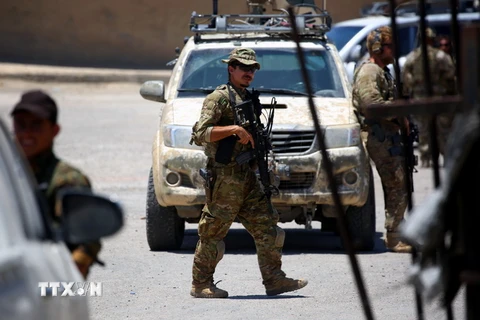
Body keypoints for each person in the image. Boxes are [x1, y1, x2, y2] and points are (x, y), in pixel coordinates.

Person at [189, 48, 308, 298]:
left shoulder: (247, 97)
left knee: (267, 225)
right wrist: (233, 129)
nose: (249, 73)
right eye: (244, 68)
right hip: (224, 178)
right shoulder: (218, 98)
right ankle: (201, 284)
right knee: (213, 231)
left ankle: (274, 279)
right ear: (230, 68)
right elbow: (201, 133)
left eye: (252, 69)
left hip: (246, 175)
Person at [10, 90, 102, 278]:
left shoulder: (67, 180)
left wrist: (70, 271)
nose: (26, 132)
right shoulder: (8, 176)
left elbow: (88, 239)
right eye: (21, 124)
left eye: (36, 125)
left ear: (54, 130)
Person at [352, 26, 412, 253]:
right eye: (390, 46)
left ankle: (398, 230)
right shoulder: (370, 72)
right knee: (397, 183)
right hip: (379, 137)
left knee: (399, 183)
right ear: (378, 48)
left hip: (386, 136)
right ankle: (394, 236)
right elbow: (372, 106)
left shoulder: (381, 71)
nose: (394, 50)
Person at [403, 28, 457, 167]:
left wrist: (415, 88)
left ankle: (426, 159)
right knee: (443, 130)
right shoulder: (440, 56)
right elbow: (451, 74)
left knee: (424, 130)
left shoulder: (413, 57)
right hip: (440, 99)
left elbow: (406, 77)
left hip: (421, 100)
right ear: (432, 39)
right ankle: (447, 158)